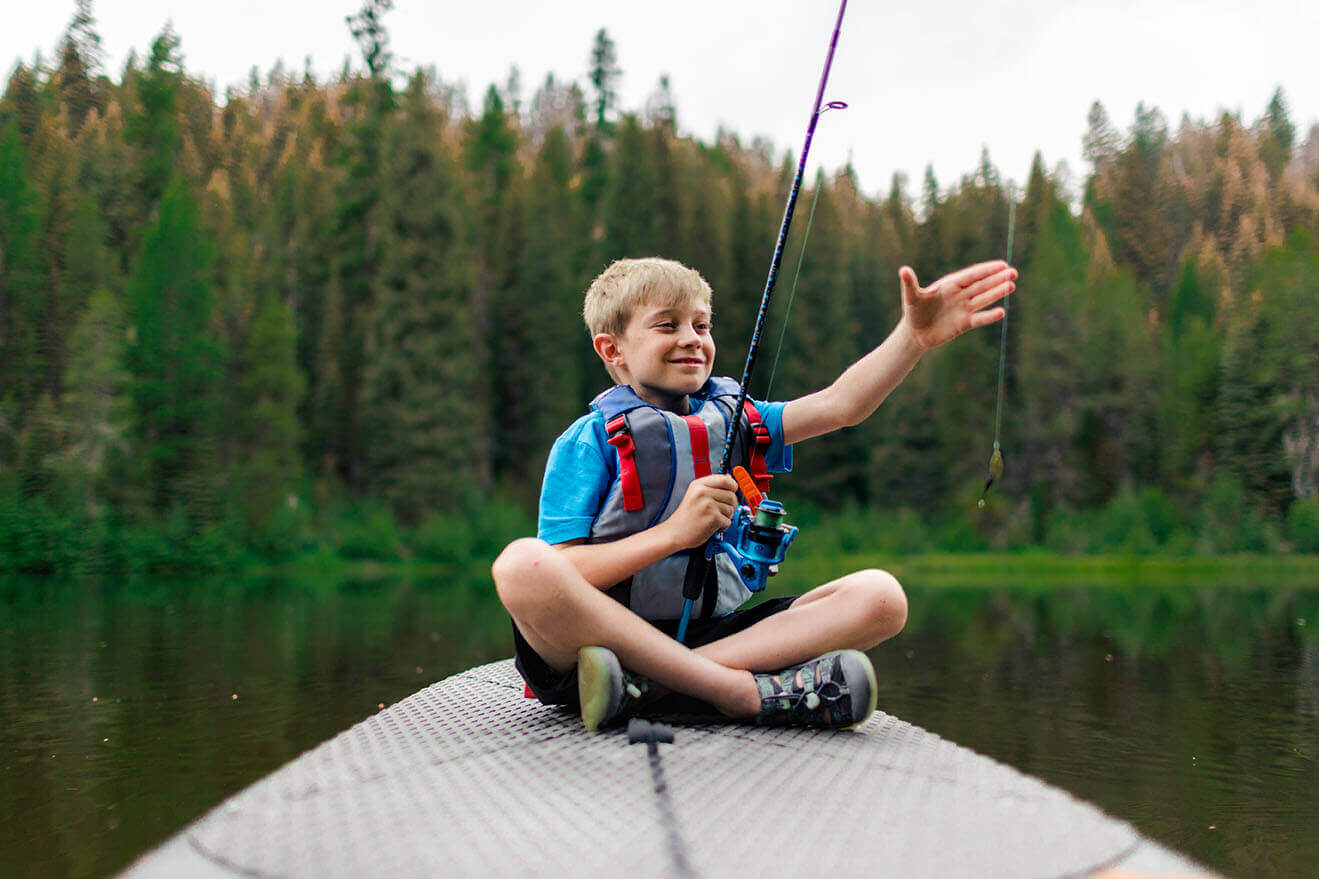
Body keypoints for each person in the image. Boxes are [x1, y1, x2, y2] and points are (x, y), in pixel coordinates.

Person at [492, 256, 1016, 731]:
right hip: (596, 651)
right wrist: (674, 535)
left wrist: (913, 338)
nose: (692, 338)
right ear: (613, 349)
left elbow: (843, 405)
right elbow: (565, 574)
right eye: (667, 325)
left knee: (882, 598)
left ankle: (659, 688)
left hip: (711, 641)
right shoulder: (587, 442)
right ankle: (734, 691)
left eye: (702, 324)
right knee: (521, 566)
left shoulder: (743, 418)